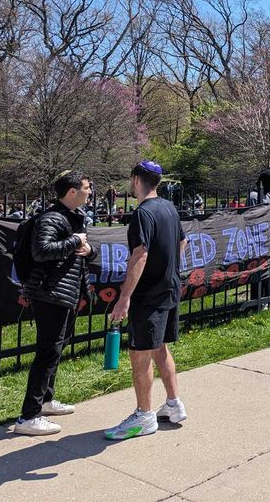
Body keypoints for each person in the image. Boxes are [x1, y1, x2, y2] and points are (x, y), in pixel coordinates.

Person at [105, 160, 188, 441]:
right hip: (169, 289)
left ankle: (144, 416)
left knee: (140, 353)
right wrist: (170, 268)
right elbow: (182, 242)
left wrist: (124, 299)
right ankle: (174, 405)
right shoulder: (169, 207)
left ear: (136, 180)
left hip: (149, 294)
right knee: (159, 347)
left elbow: (139, 255)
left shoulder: (143, 213)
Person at [15, 171, 93, 436]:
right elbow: (41, 251)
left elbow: (77, 254)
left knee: (57, 348)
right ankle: (29, 416)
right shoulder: (51, 218)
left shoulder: (73, 217)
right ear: (72, 192)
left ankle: (46, 401)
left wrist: (86, 249)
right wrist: (75, 241)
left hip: (65, 293)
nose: (89, 192)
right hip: (49, 294)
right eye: (86, 188)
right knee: (47, 352)